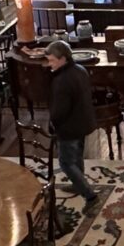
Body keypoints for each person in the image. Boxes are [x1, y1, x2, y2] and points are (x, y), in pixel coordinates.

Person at [44, 41, 97, 204]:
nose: (49, 64)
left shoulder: (62, 81)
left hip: (69, 127)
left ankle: (88, 194)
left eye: (52, 60)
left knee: (66, 162)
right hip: (83, 122)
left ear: (62, 59)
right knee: (77, 156)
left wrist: (52, 124)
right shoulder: (80, 70)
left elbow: (59, 111)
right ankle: (77, 182)